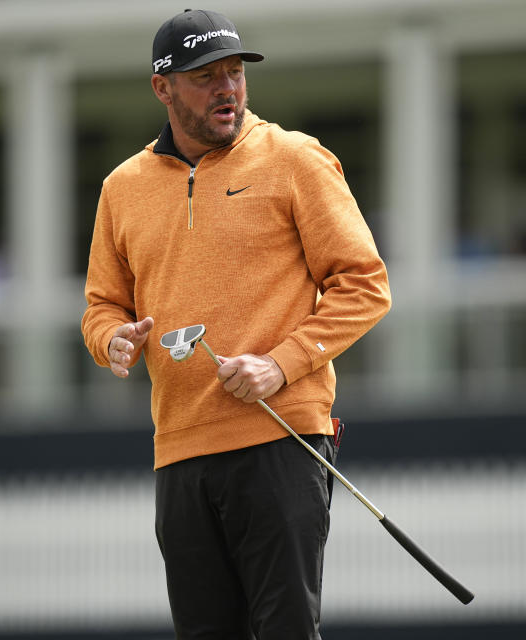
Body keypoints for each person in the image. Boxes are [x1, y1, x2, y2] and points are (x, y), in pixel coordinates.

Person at [81, 9, 391, 639]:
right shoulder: (122, 188)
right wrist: (109, 341)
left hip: (283, 441)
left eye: (234, 74)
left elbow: (365, 286)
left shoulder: (295, 159)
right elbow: (102, 305)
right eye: (205, 77)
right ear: (162, 88)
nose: (227, 88)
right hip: (180, 452)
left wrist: (281, 365)